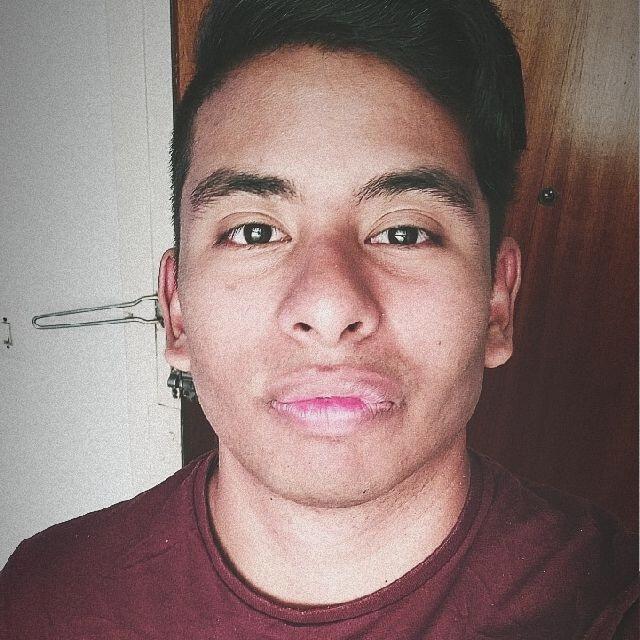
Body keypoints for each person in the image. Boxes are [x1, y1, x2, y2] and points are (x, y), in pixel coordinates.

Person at [1, 0, 637, 637]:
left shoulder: (604, 602)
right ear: (178, 311)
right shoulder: (46, 604)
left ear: (497, 300)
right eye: (254, 232)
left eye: (405, 233)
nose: (329, 307)